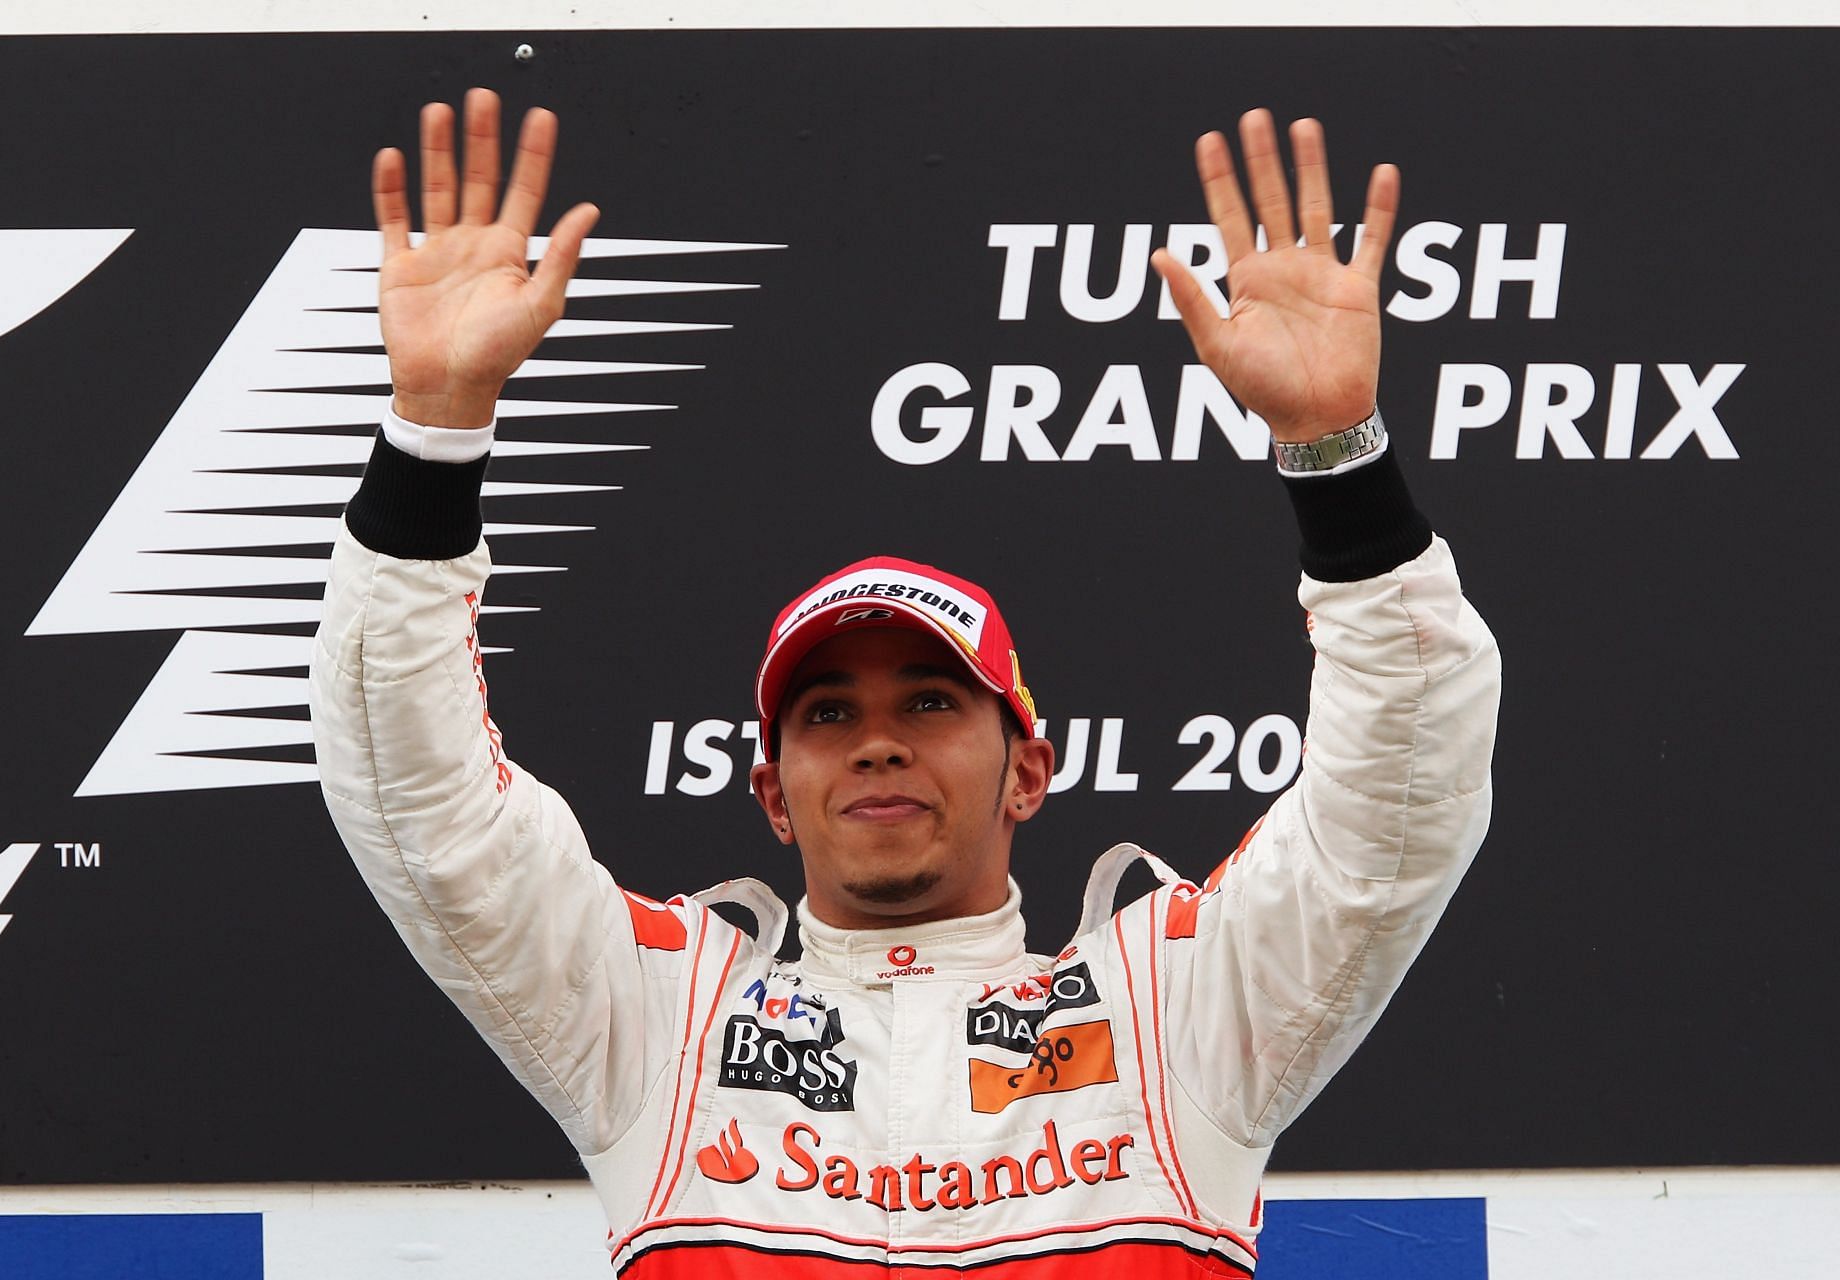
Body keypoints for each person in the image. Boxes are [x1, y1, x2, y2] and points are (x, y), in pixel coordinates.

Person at [313, 87, 1500, 1277]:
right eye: (827, 713)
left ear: (1028, 766)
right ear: (774, 794)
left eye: (930, 701)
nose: (877, 742)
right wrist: (435, 427)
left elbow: (1390, 814)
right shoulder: (663, 1025)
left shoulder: (1174, 1012)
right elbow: (426, 811)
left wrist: (1339, 455)